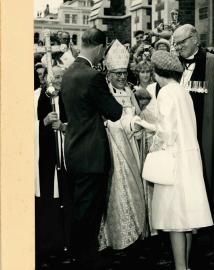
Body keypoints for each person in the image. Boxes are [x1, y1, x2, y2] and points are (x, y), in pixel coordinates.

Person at [61, 28, 123, 270]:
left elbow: (67, 115)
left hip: (74, 151)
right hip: (92, 154)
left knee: (80, 207)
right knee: (90, 211)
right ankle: (84, 258)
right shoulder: (92, 76)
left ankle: (80, 255)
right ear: (99, 47)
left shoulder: (67, 74)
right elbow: (115, 113)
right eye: (103, 51)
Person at [149, 50, 213, 270]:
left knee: (176, 220)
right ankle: (185, 266)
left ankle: (180, 267)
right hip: (190, 158)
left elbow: (167, 132)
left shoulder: (166, 92)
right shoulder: (183, 91)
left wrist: (149, 132)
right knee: (186, 220)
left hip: (175, 159)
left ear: (157, 72)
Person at [173, 24, 214, 223]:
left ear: (195, 39)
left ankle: (206, 236)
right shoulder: (175, 64)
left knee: (205, 184)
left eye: (181, 42)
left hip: (204, 135)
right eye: (175, 44)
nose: (177, 48)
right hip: (180, 138)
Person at [98, 39, 146, 252]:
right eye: (117, 73)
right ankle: (116, 234)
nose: (121, 77)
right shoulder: (104, 92)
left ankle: (136, 230)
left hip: (133, 147)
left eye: (124, 73)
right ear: (108, 74)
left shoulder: (130, 91)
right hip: (114, 148)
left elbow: (139, 115)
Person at [35, 65, 72, 268]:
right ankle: (48, 246)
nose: (58, 81)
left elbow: (79, 123)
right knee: (48, 202)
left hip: (65, 159)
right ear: (46, 79)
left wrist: (65, 127)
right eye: (55, 77)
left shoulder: (68, 97)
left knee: (66, 200)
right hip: (45, 162)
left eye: (61, 77)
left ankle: (66, 244)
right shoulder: (35, 98)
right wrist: (43, 122)